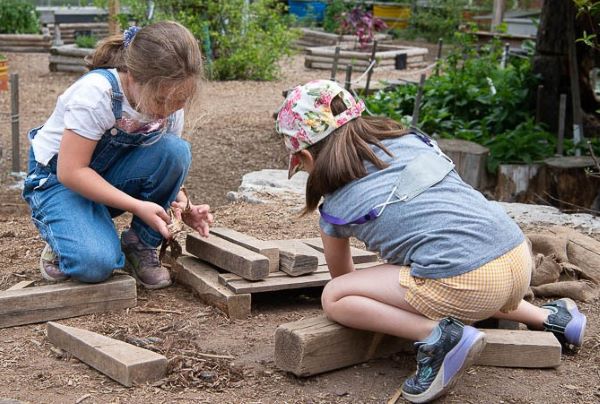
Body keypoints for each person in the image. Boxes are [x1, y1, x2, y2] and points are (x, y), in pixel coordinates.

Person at [275, 80, 587, 403]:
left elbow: (344, 280)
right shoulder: (409, 140)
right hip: (516, 255)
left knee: (335, 297)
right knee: (457, 265)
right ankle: (553, 319)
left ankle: (438, 337)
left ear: (306, 158)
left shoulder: (335, 208)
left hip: (470, 284)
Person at [22, 21, 213, 290]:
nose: (168, 110)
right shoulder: (96, 94)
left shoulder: (169, 98)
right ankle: (64, 238)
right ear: (133, 77)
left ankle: (139, 244)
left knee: (176, 150)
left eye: (179, 103)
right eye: (160, 101)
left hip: (105, 178)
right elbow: (70, 171)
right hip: (59, 181)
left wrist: (185, 204)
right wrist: (136, 205)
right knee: (96, 265)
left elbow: (165, 163)